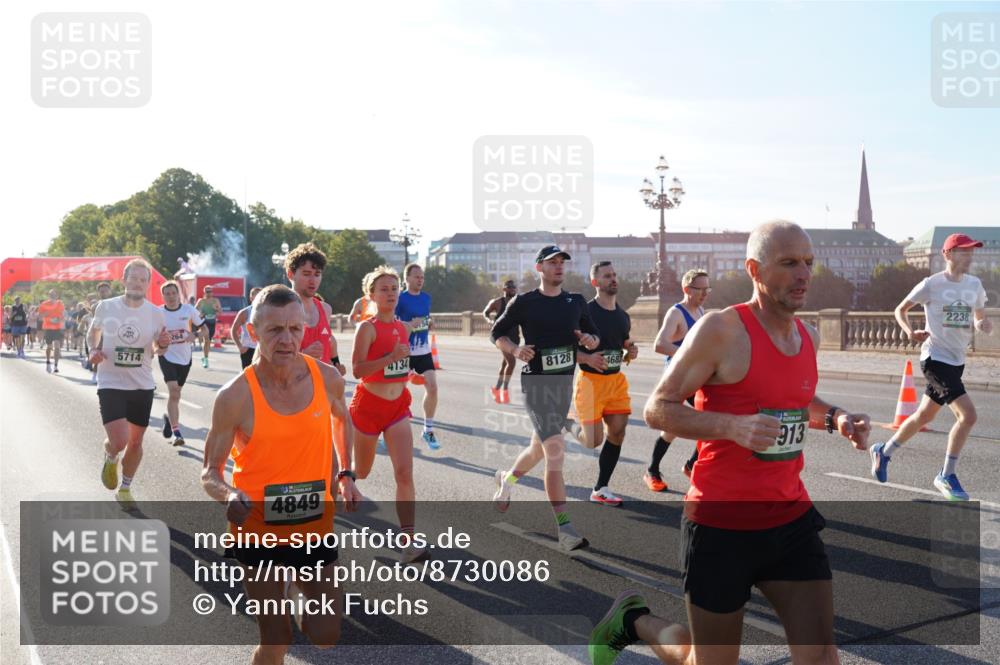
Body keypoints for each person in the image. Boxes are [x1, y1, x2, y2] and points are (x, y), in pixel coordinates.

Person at [588, 221, 871, 665]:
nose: (804, 275)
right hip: (722, 525)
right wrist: (730, 427)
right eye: (789, 263)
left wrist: (835, 418)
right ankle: (634, 621)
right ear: (755, 269)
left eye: (809, 264)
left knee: (820, 657)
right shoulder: (722, 330)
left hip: (791, 518)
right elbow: (657, 409)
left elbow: (796, 400)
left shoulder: (807, 336)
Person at [201, 284, 359, 665]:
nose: (287, 340)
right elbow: (210, 472)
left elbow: (343, 420)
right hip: (258, 529)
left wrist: (347, 473)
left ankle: (294, 587)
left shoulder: (326, 378)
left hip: (313, 525)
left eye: (295, 329)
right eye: (274, 330)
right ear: (254, 333)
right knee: (276, 639)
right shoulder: (235, 396)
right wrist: (228, 495)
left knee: (324, 635)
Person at [490, 245, 601, 552]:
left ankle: (506, 480)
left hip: (564, 384)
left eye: (562, 262)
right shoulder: (524, 302)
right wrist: (515, 350)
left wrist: (592, 341)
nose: (558, 267)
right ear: (539, 268)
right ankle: (565, 528)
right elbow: (497, 332)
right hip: (536, 385)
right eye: (552, 263)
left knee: (537, 449)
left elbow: (593, 335)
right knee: (555, 450)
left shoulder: (575, 301)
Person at [869, 232, 993, 501]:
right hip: (935, 359)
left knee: (924, 416)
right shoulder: (931, 284)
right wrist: (909, 331)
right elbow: (900, 309)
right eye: (963, 251)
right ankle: (946, 474)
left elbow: (978, 315)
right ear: (947, 255)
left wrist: (982, 324)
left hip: (957, 359)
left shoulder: (974, 285)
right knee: (968, 416)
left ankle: (884, 451)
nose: (969, 256)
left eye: (971, 251)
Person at [350, 266, 426, 563]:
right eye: (384, 289)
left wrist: (411, 375)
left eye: (394, 288)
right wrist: (389, 358)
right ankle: (338, 484)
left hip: (397, 408)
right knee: (363, 472)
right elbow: (358, 370)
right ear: (371, 295)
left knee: (404, 473)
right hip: (368, 408)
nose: (391, 293)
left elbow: (399, 367)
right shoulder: (366, 328)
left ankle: (408, 541)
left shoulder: (402, 328)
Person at [89, 259, 170, 510]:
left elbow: (159, 349)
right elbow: (94, 332)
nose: (137, 282)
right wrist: (93, 349)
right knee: (120, 440)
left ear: (147, 284)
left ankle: (125, 488)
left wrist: (164, 344)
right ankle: (111, 455)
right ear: (123, 280)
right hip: (111, 382)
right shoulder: (106, 306)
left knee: (136, 442)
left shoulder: (156, 313)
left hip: (141, 384)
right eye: (132, 278)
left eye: (142, 279)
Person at [567, 262, 638, 507]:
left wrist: (631, 349)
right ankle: (567, 424)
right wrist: (587, 358)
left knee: (618, 432)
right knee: (593, 441)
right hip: (590, 383)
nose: (613, 279)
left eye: (615, 275)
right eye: (607, 276)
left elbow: (625, 341)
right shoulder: (584, 313)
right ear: (595, 282)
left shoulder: (622, 315)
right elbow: (565, 347)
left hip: (616, 382)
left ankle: (601, 488)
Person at [646, 269, 711, 491]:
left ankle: (689, 465)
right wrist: (687, 353)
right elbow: (659, 344)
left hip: (695, 377)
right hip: (677, 378)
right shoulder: (676, 313)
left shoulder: (701, 311)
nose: (704, 294)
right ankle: (654, 471)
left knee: (705, 421)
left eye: (707, 289)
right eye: (699, 289)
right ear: (686, 289)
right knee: (678, 427)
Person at [284, 243, 346, 375]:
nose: (313, 280)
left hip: (322, 390)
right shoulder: (280, 309)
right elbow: (267, 360)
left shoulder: (325, 309)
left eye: (317, 274)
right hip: (293, 390)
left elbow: (330, 343)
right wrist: (303, 356)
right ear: (290, 274)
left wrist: (336, 364)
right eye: (306, 274)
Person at [395, 263, 439, 449]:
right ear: (407, 279)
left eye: (422, 277)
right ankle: (387, 430)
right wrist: (409, 324)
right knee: (396, 393)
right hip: (403, 351)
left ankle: (428, 430)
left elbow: (424, 318)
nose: (420, 280)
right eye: (416, 277)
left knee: (433, 387)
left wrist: (429, 323)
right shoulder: (399, 299)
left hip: (423, 351)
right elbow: (393, 324)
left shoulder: (426, 298)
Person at [158, 280, 206, 447]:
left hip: (185, 358)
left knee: (176, 394)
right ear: (162, 296)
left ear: (178, 294)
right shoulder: (158, 313)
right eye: (167, 294)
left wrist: (196, 335)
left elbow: (205, 330)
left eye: (173, 293)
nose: (171, 297)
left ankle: (168, 417)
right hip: (167, 356)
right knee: (174, 392)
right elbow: (149, 334)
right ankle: (177, 432)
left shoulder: (189, 310)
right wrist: (157, 345)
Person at [483, 280, 519, 404]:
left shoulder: (518, 302)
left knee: (505, 364)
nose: (512, 289)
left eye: (514, 287)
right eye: (510, 288)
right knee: (511, 362)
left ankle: (496, 389)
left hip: (514, 336)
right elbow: (485, 313)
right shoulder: (497, 302)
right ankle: (504, 391)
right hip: (501, 336)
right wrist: (489, 321)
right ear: (504, 289)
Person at [232, 287, 264, 370]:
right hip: (248, 349)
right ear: (251, 298)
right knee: (249, 376)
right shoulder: (245, 312)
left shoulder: (267, 312)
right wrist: (240, 347)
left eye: (261, 296)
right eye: (256, 296)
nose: (259, 298)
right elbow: (233, 330)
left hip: (262, 349)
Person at [38, 289, 65, 373]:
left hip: (57, 327)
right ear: (48, 296)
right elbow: (39, 317)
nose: (52, 296)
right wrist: (46, 314)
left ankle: (56, 366)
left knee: (57, 345)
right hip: (48, 328)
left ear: (57, 296)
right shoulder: (44, 304)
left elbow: (62, 315)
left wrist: (59, 319)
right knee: (49, 347)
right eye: (51, 295)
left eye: (54, 295)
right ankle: (48, 362)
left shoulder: (60, 304)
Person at [195, 285, 223, 368]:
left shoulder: (215, 301)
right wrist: (200, 314)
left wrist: (216, 309)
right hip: (204, 322)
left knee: (208, 341)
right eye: (207, 291)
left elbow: (220, 312)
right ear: (204, 292)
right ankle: (206, 359)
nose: (209, 293)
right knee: (206, 339)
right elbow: (194, 311)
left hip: (212, 322)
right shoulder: (201, 301)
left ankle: (205, 357)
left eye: (210, 291)